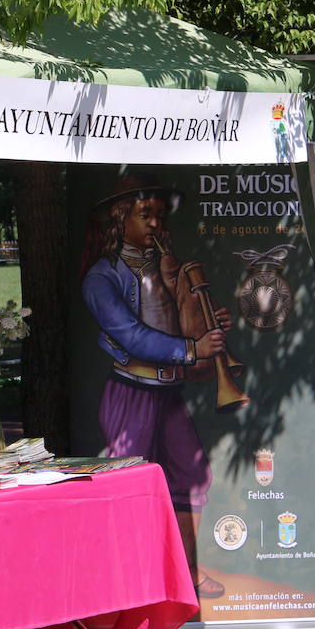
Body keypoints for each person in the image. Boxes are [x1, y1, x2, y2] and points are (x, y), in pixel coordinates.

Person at [81, 176, 231, 599]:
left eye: (159, 216)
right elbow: (130, 335)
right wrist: (192, 346)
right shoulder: (102, 277)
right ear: (119, 219)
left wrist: (206, 324)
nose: (154, 224)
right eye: (143, 214)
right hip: (131, 392)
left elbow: (180, 316)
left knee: (193, 474)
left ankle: (187, 571)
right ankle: (124, 579)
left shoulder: (168, 267)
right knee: (124, 484)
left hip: (170, 393)